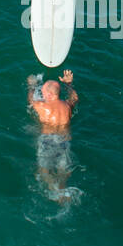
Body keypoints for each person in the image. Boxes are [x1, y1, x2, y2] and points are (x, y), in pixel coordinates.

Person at [28, 69, 78, 200]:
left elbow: (30, 100)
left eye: (43, 92)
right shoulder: (67, 106)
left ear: (50, 95)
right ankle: (62, 188)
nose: (42, 95)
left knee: (43, 169)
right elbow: (74, 98)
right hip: (64, 140)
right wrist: (69, 84)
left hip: (47, 140)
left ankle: (53, 188)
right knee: (63, 169)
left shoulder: (42, 106)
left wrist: (32, 86)